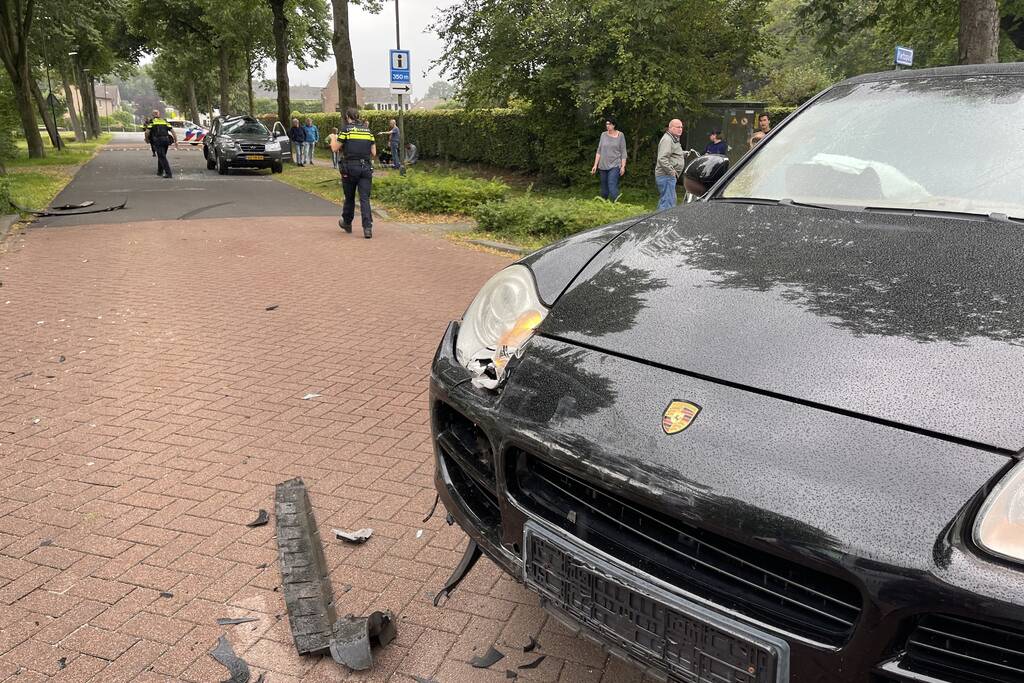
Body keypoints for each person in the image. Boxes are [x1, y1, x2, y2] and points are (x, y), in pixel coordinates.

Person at [332, 107, 377, 239]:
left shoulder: (346, 130)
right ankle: (367, 228)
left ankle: (347, 222)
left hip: (350, 168)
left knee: (350, 197)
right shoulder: (368, 131)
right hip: (366, 168)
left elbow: (335, 148)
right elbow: (374, 152)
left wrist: (333, 138)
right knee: (364, 199)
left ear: (347, 117)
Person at [590, 117, 627, 201]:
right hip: (602, 165)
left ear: (614, 125)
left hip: (615, 165)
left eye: (609, 124)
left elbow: (623, 152)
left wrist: (623, 166)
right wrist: (595, 165)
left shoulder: (620, 135)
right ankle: (604, 204)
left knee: (612, 184)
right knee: (604, 189)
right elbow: (599, 151)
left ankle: (616, 204)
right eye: (606, 124)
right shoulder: (603, 135)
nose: (607, 126)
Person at [654, 119, 687, 210]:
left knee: (666, 200)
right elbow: (662, 158)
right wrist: (671, 172)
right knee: (668, 203)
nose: (680, 129)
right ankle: (664, 218)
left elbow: (672, 153)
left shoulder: (673, 139)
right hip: (666, 175)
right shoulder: (667, 140)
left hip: (668, 176)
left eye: (681, 127)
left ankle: (658, 217)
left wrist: (683, 153)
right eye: (678, 127)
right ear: (671, 128)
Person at [145, 110, 178, 179]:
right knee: (162, 155)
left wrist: (147, 139)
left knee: (162, 157)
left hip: (158, 140)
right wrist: (176, 141)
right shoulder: (164, 121)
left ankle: (168, 173)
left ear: (153, 115)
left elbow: (147, 132)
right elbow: (173, 131)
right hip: (166, 140)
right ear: (159, 114)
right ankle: (160, 171)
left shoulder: (152, 121)